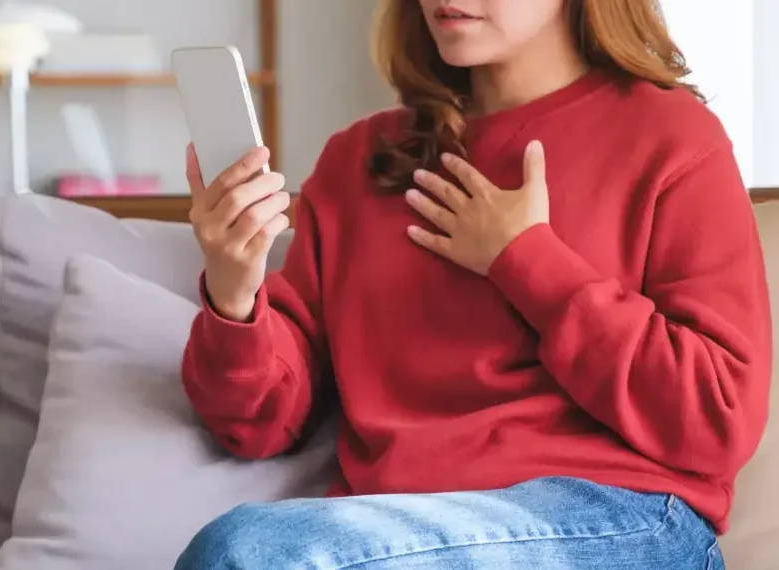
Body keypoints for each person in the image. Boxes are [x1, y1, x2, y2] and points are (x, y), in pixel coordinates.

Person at [175, 0, 771, 568]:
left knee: (246, 554)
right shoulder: (360, 162)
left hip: (622, 520)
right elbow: (256, 425)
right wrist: (234, 292)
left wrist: (525, 259)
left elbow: (718, 418)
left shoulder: (673, 137)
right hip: (398, 527)